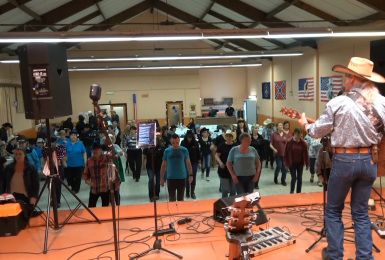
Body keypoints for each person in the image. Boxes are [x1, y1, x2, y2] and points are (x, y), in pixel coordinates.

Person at [298, 57, 385, 260]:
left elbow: (317, 131)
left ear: (353, 78)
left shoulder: (339, 102)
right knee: (361, 213)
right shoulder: (382, 103)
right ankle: (365, 257)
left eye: (345, 76)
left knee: (334, 210)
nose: (343, 80)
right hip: (370, 161)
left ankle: (335, 255)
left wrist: (304, 124)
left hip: (345, 161)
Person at [4, 148, 39, 216]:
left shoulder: (31, 168)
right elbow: (3, 183)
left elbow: (36, 185)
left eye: (20, 154)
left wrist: (34, 197)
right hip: (11, 197)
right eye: (16, 154)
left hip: (26, 197)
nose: (18, 156)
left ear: (24, 155)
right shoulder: (8, 168)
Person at [160, 134, 193, 202]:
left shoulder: (184, 150)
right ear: (170, 142)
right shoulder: (167, 151)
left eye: (177, 143)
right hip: (170, 178)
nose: (175, 145)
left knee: (181, 199)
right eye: (173, 143)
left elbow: (188, 163)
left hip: (181, 178)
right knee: (172, 199)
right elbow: (163, 165)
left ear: (179, 141)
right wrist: (161, 178)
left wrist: (191, 175)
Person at [284, 128, 309, 194]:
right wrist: (286, 164)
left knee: (299, 178)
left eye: (299, 134)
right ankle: (292, 191)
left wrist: (307, 163)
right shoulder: (289, 142)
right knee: (294, 177)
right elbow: (286, 154)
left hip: (300, 163)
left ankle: (298, 192)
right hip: (292, 163)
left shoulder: (303, 143)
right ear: (294, 134)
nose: (298, 136)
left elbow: (306, 154)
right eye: (297, 134)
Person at [143, 135, 165, 201]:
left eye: (156, 140)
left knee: (158, 181)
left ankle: (157, 194)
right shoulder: (147, 147)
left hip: (159, 167)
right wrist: (143, 165)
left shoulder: (161, 148)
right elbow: (144, 156)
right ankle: (151, 195)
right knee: (151, 179)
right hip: (150, 166)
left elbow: (164, 159)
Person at [215, 130, 236, 198]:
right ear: (225, 137)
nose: (229, 137)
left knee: (233, 190)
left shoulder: (236, 146)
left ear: (232, 137)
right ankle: (224, 204)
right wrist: (220, 162)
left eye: (230, 136)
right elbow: (216, 155)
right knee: (225, 190)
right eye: (227, 136)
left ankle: (232, 204)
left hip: (234, 170)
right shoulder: (221, 145)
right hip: (223, 169)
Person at [181, 130, 200, 199]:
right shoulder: (183, 143)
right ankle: (187, 192)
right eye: (188, 137)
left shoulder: (195, 143)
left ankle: (192, 192)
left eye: (191, 137)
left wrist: (199, 161)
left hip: (194, 162)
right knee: (186, 178)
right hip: (185, 162)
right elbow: (181, 152)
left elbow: (198, 152)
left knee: (193, 177)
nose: (189, 139)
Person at [250, 125, 265, 189]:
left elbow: (263, 148)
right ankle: (251, 183)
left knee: (258, 170)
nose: (256, 129)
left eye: (257, 128)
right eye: (255, 128)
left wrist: (263, 157)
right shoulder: (249, 137)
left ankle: (256, 184)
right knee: (251, 170)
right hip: (250, 157)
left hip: (259, 156)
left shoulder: (261, 137)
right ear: (252, 129)